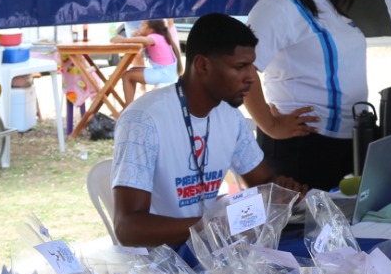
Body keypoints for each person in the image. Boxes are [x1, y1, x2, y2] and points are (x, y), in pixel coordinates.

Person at [110, 14, 303, 248]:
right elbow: (128, 228)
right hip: (156, 266)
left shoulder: (229, 117)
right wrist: (211, 225)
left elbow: (263, 182)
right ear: (202, 65)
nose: (251, 78)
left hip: (211, 254)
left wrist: (283, 192)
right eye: (240, 67)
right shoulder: (143, 120)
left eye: (252, 66)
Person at [244, 0, 369, 191]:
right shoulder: (277, 6)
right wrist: (269, 124)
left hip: (345, 142)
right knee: (305, 232)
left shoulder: (328, 4)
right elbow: (243, 69)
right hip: (303, 146)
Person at [114, 19, 182, 105]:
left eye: (142, 25)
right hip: (165, 72)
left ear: (150, 30)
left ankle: (128, 107)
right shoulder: (160, 36)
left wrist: (122, 40)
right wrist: (135, 36)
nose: (139, 27)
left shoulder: (155, 37)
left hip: (164, 74)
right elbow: (140, 47)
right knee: (131, 71)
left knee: (127, 76)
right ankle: (129, 106)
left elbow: (145, 41)